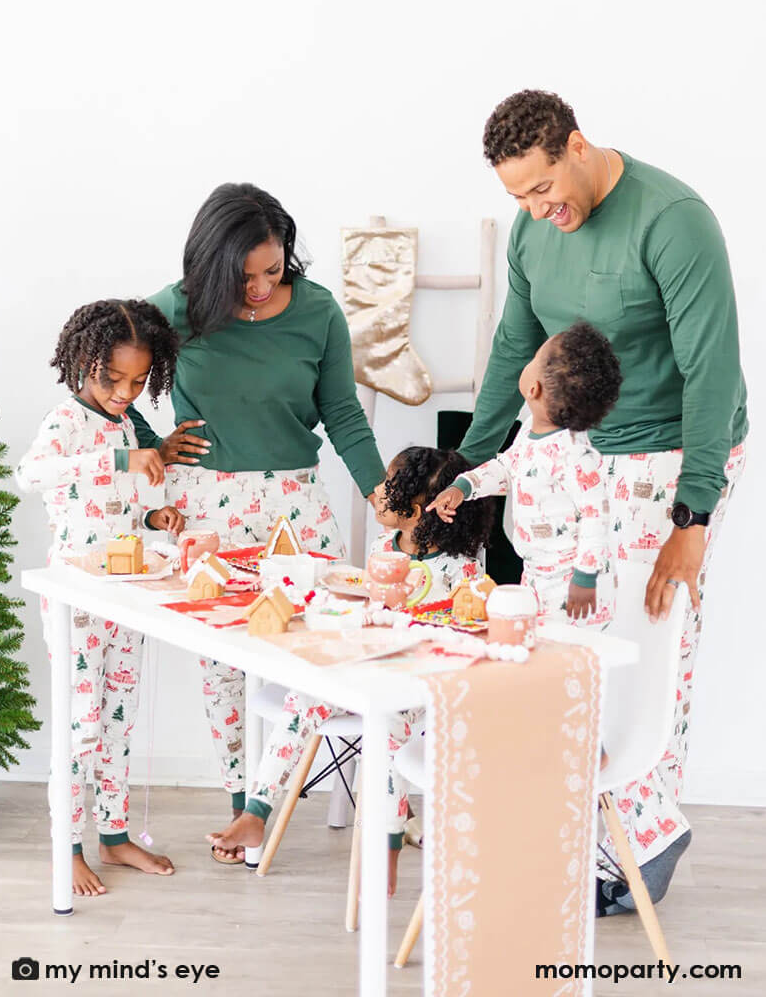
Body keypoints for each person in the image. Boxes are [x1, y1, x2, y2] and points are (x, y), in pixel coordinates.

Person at [458, 89, 748, 913]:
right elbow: (515, 345)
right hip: (583, 454)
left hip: (671, 451)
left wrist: (692, 516)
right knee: (575, 640)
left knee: (650, 640)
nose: (536, 210)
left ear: (577, 147)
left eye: (543, 189)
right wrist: (469, 470)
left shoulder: (672, 219)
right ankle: (593, 836)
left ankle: (645, 839)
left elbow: (712, 370)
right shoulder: (530, 232)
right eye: (517, 198)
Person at [126, 183, 385, 862]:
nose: (264, 287)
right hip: (205, 504)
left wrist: (383, 495)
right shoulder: (171, 310)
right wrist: (148, 444)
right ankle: (241, 807)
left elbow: (345, 416)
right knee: (220, 665)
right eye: (246, 277)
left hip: (294, 504)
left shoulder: (320, 312)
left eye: (274, 270)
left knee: (317, 651)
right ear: (210, 268)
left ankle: (265, 803)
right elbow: (103, 382)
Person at [206, 446, 495, 895]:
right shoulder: (385, 547)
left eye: (387, 484)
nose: (376, 491)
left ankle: (388, 851)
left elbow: (471, 629)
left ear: (415, 508)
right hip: (363, 669)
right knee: (300, 700)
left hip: (414, 687)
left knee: (383, 737)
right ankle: (255, 813)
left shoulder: (461, 567)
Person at [16, 299, 185, 896]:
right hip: (76, 596)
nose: (125, 392)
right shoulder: (67, 420)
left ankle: (113, 838)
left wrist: (157, 516)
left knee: (117, 718)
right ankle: (69, 845)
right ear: (84, 362)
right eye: (113, 379)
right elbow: (31, 474)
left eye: (139, 382)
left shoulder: (126, 425)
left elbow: (120, 507)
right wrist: (118, 456)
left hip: (126, 592)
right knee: (80, 725)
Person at [429, 321, 622, 628]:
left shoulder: (575, 453)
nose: (527, 361)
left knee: (566, 654)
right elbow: (508, 468)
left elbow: (596, 513)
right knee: (537, 645)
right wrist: (465, 486)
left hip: (573, 580)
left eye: (533, 359)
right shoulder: (530, 434)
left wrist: (586, 574)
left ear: (533, 388)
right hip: (535, 572)